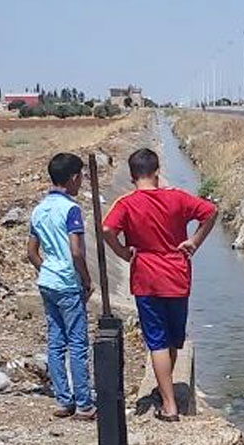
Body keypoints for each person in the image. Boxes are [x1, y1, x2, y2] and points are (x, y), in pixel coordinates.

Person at [101, 148, 219, 423]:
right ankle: (167, 392)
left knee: (156, 341)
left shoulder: (127, 203)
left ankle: (168, 405)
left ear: (132, 175)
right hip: (177, 275)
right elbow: (210, 212)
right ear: (157, 171)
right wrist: (195, 241)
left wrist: (121, 252)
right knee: (173, 339)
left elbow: (106, 230)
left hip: (146, 278)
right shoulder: (176, 196)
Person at [27, 152, 95, 420]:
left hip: (47, 282)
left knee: (56, 343)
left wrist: (47, 270)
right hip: (68, 283)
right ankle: (84, 404)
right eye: (81, 178)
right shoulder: (71, 210)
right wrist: (86, 280)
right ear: (74, 178)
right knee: (77, 344)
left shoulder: (39, 209)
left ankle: (63, 400)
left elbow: (31, 251)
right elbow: (76, 251)